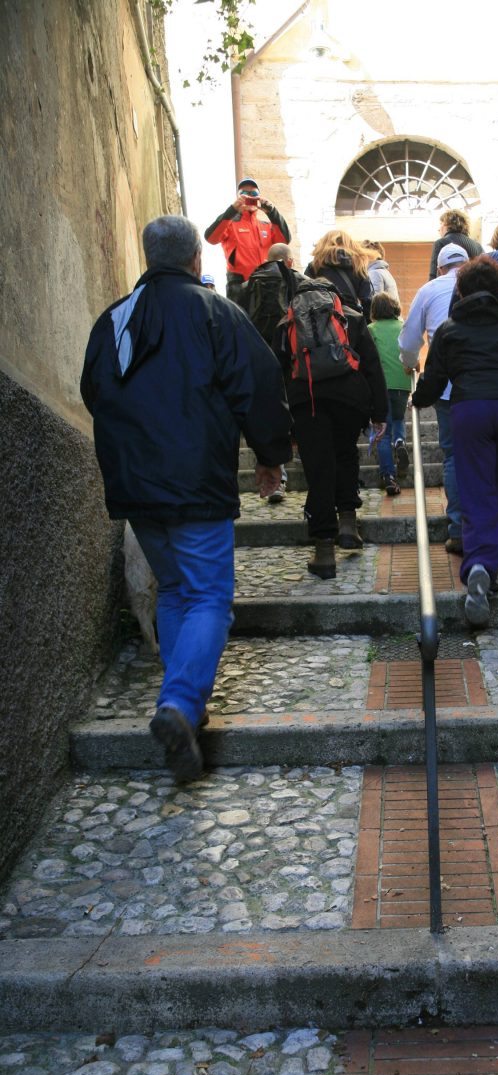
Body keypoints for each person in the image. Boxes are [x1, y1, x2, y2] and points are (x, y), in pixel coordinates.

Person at [80, 215, 292, 784]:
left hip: (135, 483)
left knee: (174, 589)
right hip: (196, 479)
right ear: (197, 258)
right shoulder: (214, 311)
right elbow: (258, 382)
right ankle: (178, 703)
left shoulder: (115, 319)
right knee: (208, 597)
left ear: (148, 257)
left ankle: (186, 712)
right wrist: (270, 454)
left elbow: (92, 391)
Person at [412, 256, 498, 628]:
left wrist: (417, 398)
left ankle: (480, 562)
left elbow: (433, 380)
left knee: (476, 491)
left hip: (470, 410)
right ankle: (494, 559)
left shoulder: (450, 329)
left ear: (461, 291)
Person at [273, 276, 388, 580]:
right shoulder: (351, 317)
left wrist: (282, 421)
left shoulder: (287, 323)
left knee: (318, 468)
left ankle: (324, 549)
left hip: (306, 400)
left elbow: (277, 373)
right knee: (345, 454)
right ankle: (348, 521)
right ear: (334, 296)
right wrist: (380, 413)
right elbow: (372, 365)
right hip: (349, 398)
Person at [399, 242, 469, 553]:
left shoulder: (429, 290)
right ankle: (491, 524)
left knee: (453, 454)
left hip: (447, 388)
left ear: (440, 269)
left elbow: (409, 339)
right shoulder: (484, 286)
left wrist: (410, 361)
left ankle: (458, 529)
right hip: (488, 387)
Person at [239, 241, 301, 505]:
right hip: (291, 359)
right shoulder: (298, 281)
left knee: (269, 416)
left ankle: (278, 478)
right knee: (297, 412)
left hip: (260, 362)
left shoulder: (247, 285)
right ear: (289, 261)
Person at [204, 176, 291, 303]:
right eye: (244, 193)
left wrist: (271, 211)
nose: (249, 197)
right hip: (239, 287)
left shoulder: (266, 226)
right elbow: (211, 238)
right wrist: (232, 209)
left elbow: (285, 240)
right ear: (238, 197)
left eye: (253, 194)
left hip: (267, 285)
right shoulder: (230, 224)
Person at [368, 292, 409, 496]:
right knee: (398, 418)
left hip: (381, 385)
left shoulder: (371, 329)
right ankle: (400, 442)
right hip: (403, 383)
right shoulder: (403, 327)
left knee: (382, 430)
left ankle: (388, 476)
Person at [305, 230, 372, 321]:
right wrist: (366, 322)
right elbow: (367, 300)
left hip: (322, 320)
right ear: (350, 244)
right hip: (351, 319)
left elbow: (305, 295)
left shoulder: (315, 266)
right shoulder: (358, 266)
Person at [428, 208, 483, 280]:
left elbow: (433, 276)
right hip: (473, 286)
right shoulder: (477, 246)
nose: (438, 229)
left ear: (448, 225)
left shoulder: (440, 243)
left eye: (441, 224)